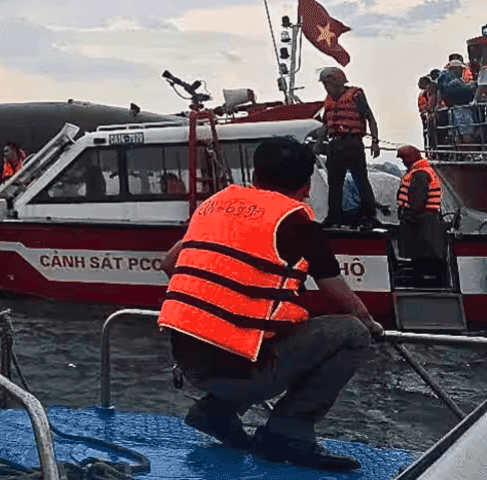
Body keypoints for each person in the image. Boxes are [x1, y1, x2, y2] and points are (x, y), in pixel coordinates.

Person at [157, 137, 383, 472]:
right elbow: (339, 295)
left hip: (188, 361)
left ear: (254, 174)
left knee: (254, 338)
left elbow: (169, 263)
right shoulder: (298, 223)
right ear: (305, 186)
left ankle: (217, 410)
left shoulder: (217, 204)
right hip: (244, 372)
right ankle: (287, 433)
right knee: (351, 333)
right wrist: (371, 324)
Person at [317, 67, 380, 227]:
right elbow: (326, 124)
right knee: (334, 183)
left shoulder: (356, 95)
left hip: (353, 143)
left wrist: (375, 142)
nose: (326, 88)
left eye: (328, 84)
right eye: (324, 85)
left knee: (360, 179)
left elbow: (370, 118)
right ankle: (334, 217)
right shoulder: (329, 99)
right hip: (335, 143)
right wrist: (318, 144)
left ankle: (368, 215)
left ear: (338, 83)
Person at [396, 146, 447, 287]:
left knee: (423, 259)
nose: (403, 162)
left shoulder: (420, 174)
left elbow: (416, 201)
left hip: (422, 224)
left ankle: (425, 283)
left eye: (403, 159)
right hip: (426, 221)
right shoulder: (423, 171)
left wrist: (407, 219)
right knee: (427, 257)